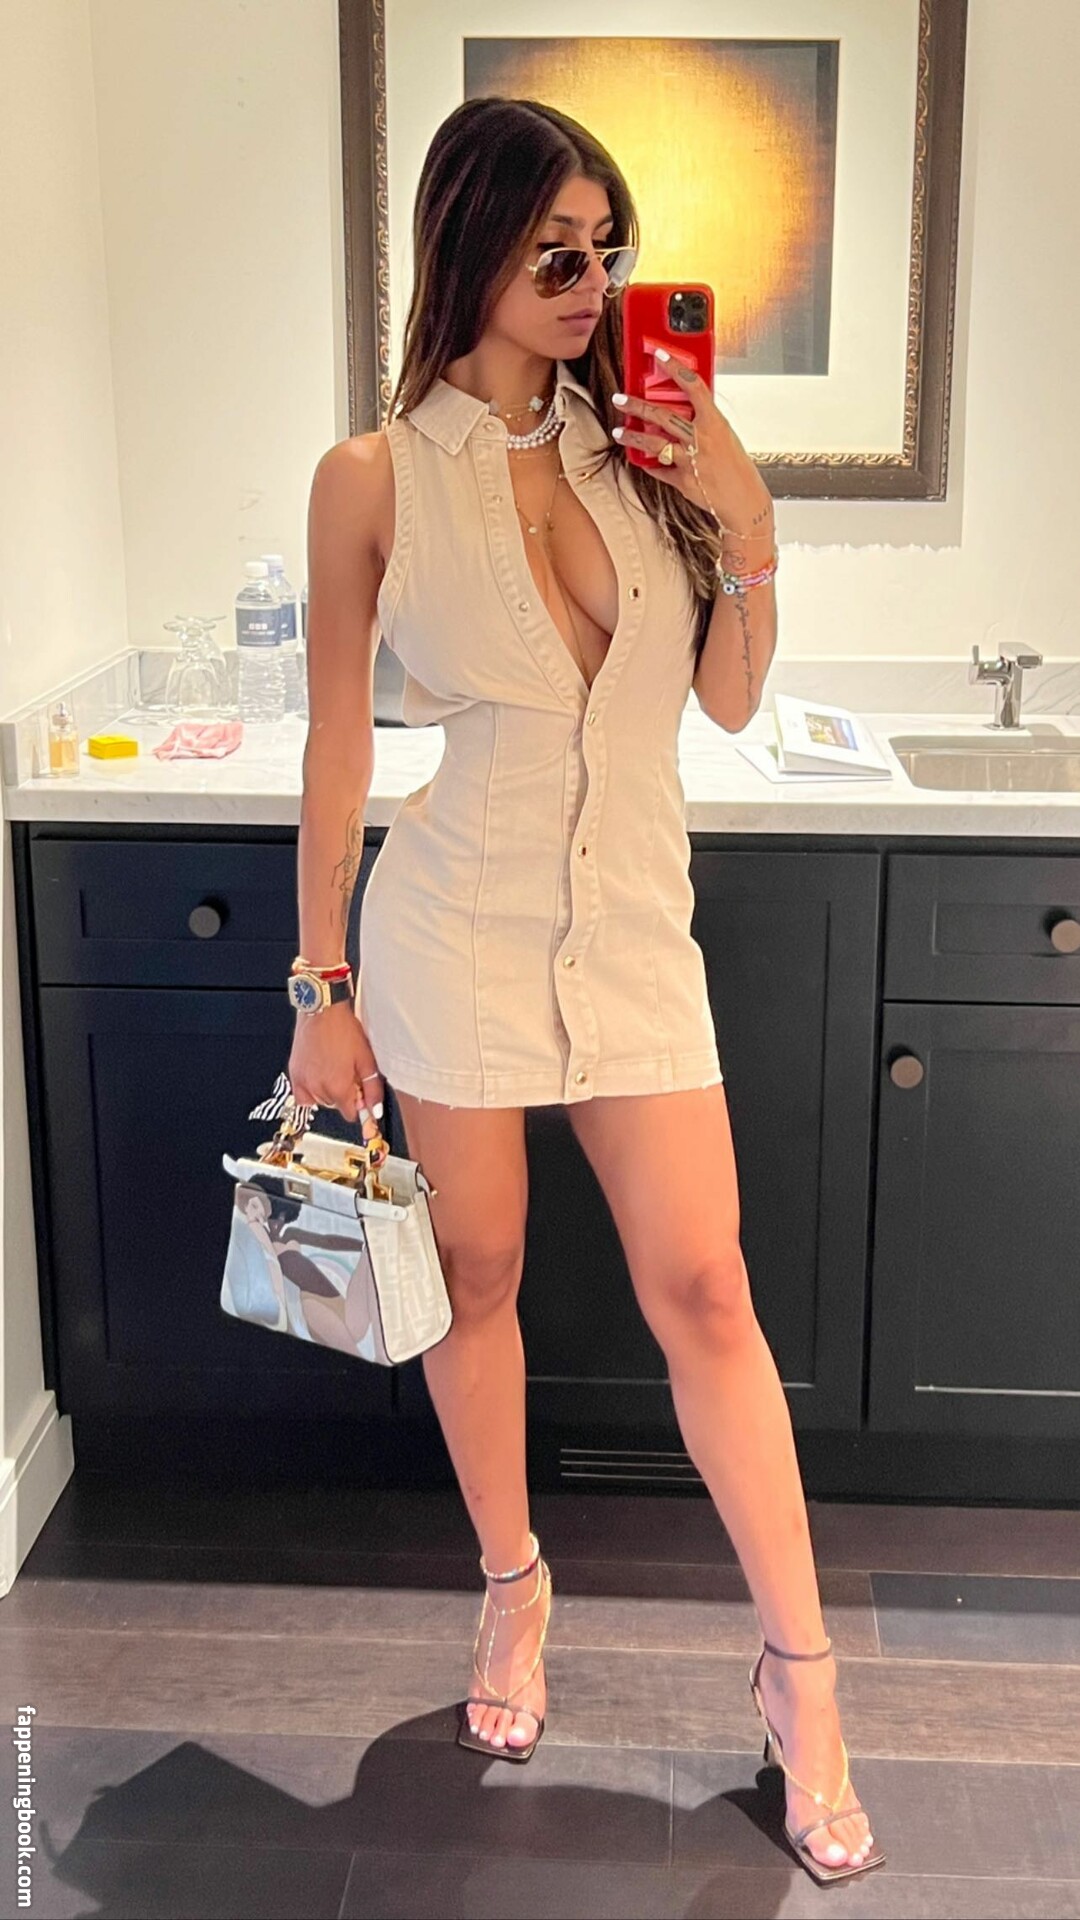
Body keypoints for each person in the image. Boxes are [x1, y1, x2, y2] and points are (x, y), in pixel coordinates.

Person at [288, 96, 882, 1885]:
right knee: (475, 1277)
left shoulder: (647, 450)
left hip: (632, 932)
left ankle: (802, 1678)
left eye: (609, 250)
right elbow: (336, 750)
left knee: (708, 1288)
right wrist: (320, 986)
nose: (591, 281)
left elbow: (729, 700)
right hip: (453, 927)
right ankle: (513, 1586)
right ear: (466, 243)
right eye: (558, 249)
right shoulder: (373, 478)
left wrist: (743, 505)